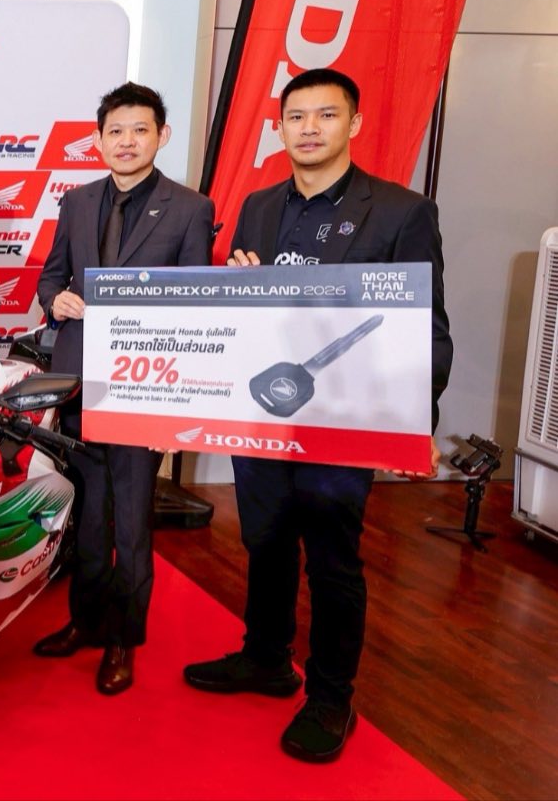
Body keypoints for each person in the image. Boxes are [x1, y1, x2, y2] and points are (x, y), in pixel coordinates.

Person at [182, 67, 453, 762]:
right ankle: (266, 657)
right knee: (266, 538)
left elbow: (427, 325)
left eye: (326, 115)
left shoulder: (401, 211)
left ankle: (331, 696)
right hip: (266, 407)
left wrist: (414, 424)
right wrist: (238, 289)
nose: (309, 129)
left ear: (353, 123)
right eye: (296, 117)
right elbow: (248, 311)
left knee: (333, 557)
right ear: (279, 128)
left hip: (349, 414)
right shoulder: (258, 206)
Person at [31, 82, 215, 695]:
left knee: (131, 523)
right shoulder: (77, 201)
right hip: (80, 382)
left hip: (145, 386)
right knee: (86, 516)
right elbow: (52, 274)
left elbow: (196, 304)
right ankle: (85, 622)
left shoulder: (190, 209)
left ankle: (123, 640)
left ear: (162, 136)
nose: (127, 141)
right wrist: (54, 300)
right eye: (115, 131)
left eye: (140, 130)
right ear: (97, 139)